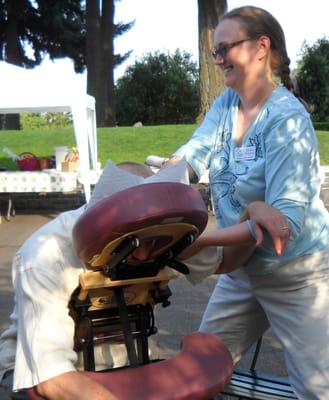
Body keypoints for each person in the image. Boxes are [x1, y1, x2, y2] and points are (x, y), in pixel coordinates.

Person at [0, 158, 288, 400]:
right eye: (134, 245)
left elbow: (225, 261)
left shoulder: (155, 235)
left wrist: (253, 215)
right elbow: (53, 379)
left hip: (124, 365)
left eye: (154, 243)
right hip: (42, 375)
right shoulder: (46, 254)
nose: (144, 255)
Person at [169, 5, 329, 399]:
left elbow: (283, 226)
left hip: (298, 275)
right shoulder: (226, 104)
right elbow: (192, 155)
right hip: (244, 272)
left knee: (318, 388)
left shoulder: (287, 119)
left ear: (261, 48)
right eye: (215, 52)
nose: (219, 58)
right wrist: (149, 191)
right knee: (197, 372)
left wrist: (201, 241)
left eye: (227, 47)